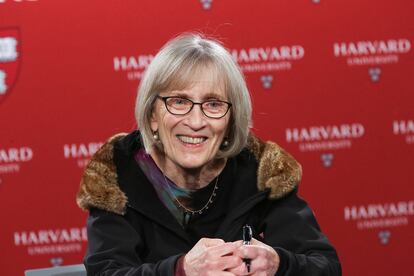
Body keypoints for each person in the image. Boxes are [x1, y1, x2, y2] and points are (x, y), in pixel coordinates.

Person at [77, 33, 341, 276]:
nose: (195, 121)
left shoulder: (261, 170)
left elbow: (325, 266)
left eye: (213, 104)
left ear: (230, 120)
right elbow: (106, 271)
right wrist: (182, 270)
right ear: (152, 116)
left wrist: (279, 264)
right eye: (179, 101)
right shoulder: (118, 173)